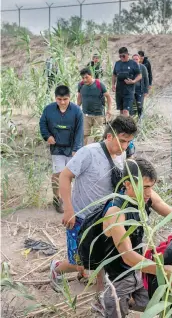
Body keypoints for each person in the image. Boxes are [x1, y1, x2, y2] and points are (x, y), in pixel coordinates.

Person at [96, 158, 172, 317]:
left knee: (155, 305)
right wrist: (165, 271)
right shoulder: (115, 213)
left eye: (151, 187)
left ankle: (126, 300)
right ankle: (105, 302)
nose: (148, 193)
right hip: (117, 279)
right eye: (144, 187)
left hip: (139, 270)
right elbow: (128, 256)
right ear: (128, 184)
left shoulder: (147, 196)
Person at [49, 116, 137, 294]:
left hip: (105, 218)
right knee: (77, 261)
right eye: (122, 141)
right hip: (82, 217)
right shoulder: (88, 153)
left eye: (129, 142)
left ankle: (101, 295)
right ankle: (57, 269)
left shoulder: (123, 155)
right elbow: (65, 176)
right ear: (109, 137)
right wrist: (68, 209)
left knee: (102, 256)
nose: (125, 146)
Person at [39, 85, 83, 213]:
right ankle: (57, 198)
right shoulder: (48, 110)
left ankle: (71, 199)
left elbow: (79, 131)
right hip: (57, 148)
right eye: (59, 99)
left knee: (71, 175)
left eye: (65, 99)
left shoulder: (76, 111)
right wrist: (47, 136)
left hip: (71, 148)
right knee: (58, 174)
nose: (62, 102)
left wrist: (76, 148)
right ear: (55, 98)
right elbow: (42, 124)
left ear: (70, 98)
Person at [77, 68, 112, 145]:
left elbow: (108, 97)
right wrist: (77, 107)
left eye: (86, 77)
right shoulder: (81, 85)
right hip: (85, 114)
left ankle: (97, 151)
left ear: (91, 76)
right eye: (83, 78)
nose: (85, 80)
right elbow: (79, 96)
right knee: (84, 134)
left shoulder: (99, 84)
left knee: (98, 136)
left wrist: (109, 110)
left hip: (98, 115)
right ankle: (84, 151)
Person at [112, 47, 142, 117]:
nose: (121, 58)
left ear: (127, 54)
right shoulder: (117, 63)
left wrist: (133, 81)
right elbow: (114, 75)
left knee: (126, 111)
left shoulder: (133, 63)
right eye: (120, 56)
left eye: (123, 56)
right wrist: (113, 85)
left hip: (129, 91)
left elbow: (140, 75)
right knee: (121, 111)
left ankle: (127, 126)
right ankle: (122, 127)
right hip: (119, 91)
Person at [131, 54, 149, 118]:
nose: (135, 60)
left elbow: (146, 79)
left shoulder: (143, 67)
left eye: (136, 59)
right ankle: (133, 120)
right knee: (132, 106)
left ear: (139, 60)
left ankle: (140, 119)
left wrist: (146, 91)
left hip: (140, 90)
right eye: (134, 59)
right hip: (131, 90)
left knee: (140, 105)